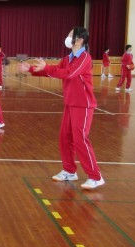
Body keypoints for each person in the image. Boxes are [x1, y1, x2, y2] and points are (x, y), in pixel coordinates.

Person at [19, 27, 105, 190]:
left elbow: (69, 73)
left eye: (71, 35)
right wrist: (31, 69)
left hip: (83, 105)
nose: (68, 37)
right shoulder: (68, 58)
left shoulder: (85, 58)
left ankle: (96, 176)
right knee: (64, 137)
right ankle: (69, 171)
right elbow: (56, 72)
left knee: (80, 139)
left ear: (80, 40)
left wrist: (47, 67)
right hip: (70, 103)